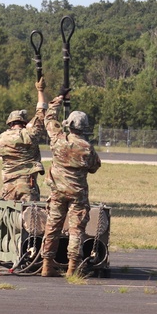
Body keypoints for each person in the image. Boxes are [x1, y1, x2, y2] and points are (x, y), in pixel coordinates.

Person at [40, 92, 101, 277]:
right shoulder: (87, 148)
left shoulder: (59, 140)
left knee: (52, 227)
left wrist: (57, 100)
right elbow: (94, 167)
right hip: (78, 195)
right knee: (76, 230)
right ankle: (72, 268)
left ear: (70, 125)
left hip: (57, 192)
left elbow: (48, 118)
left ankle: (46, 266)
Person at [0, 78, 49, 201]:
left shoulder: (1, 139)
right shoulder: (30, 134)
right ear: (24, 123)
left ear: (10, 123)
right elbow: (41, 112)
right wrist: (40, 90)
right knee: (30, 217)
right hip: (27, 184)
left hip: (8, 186)